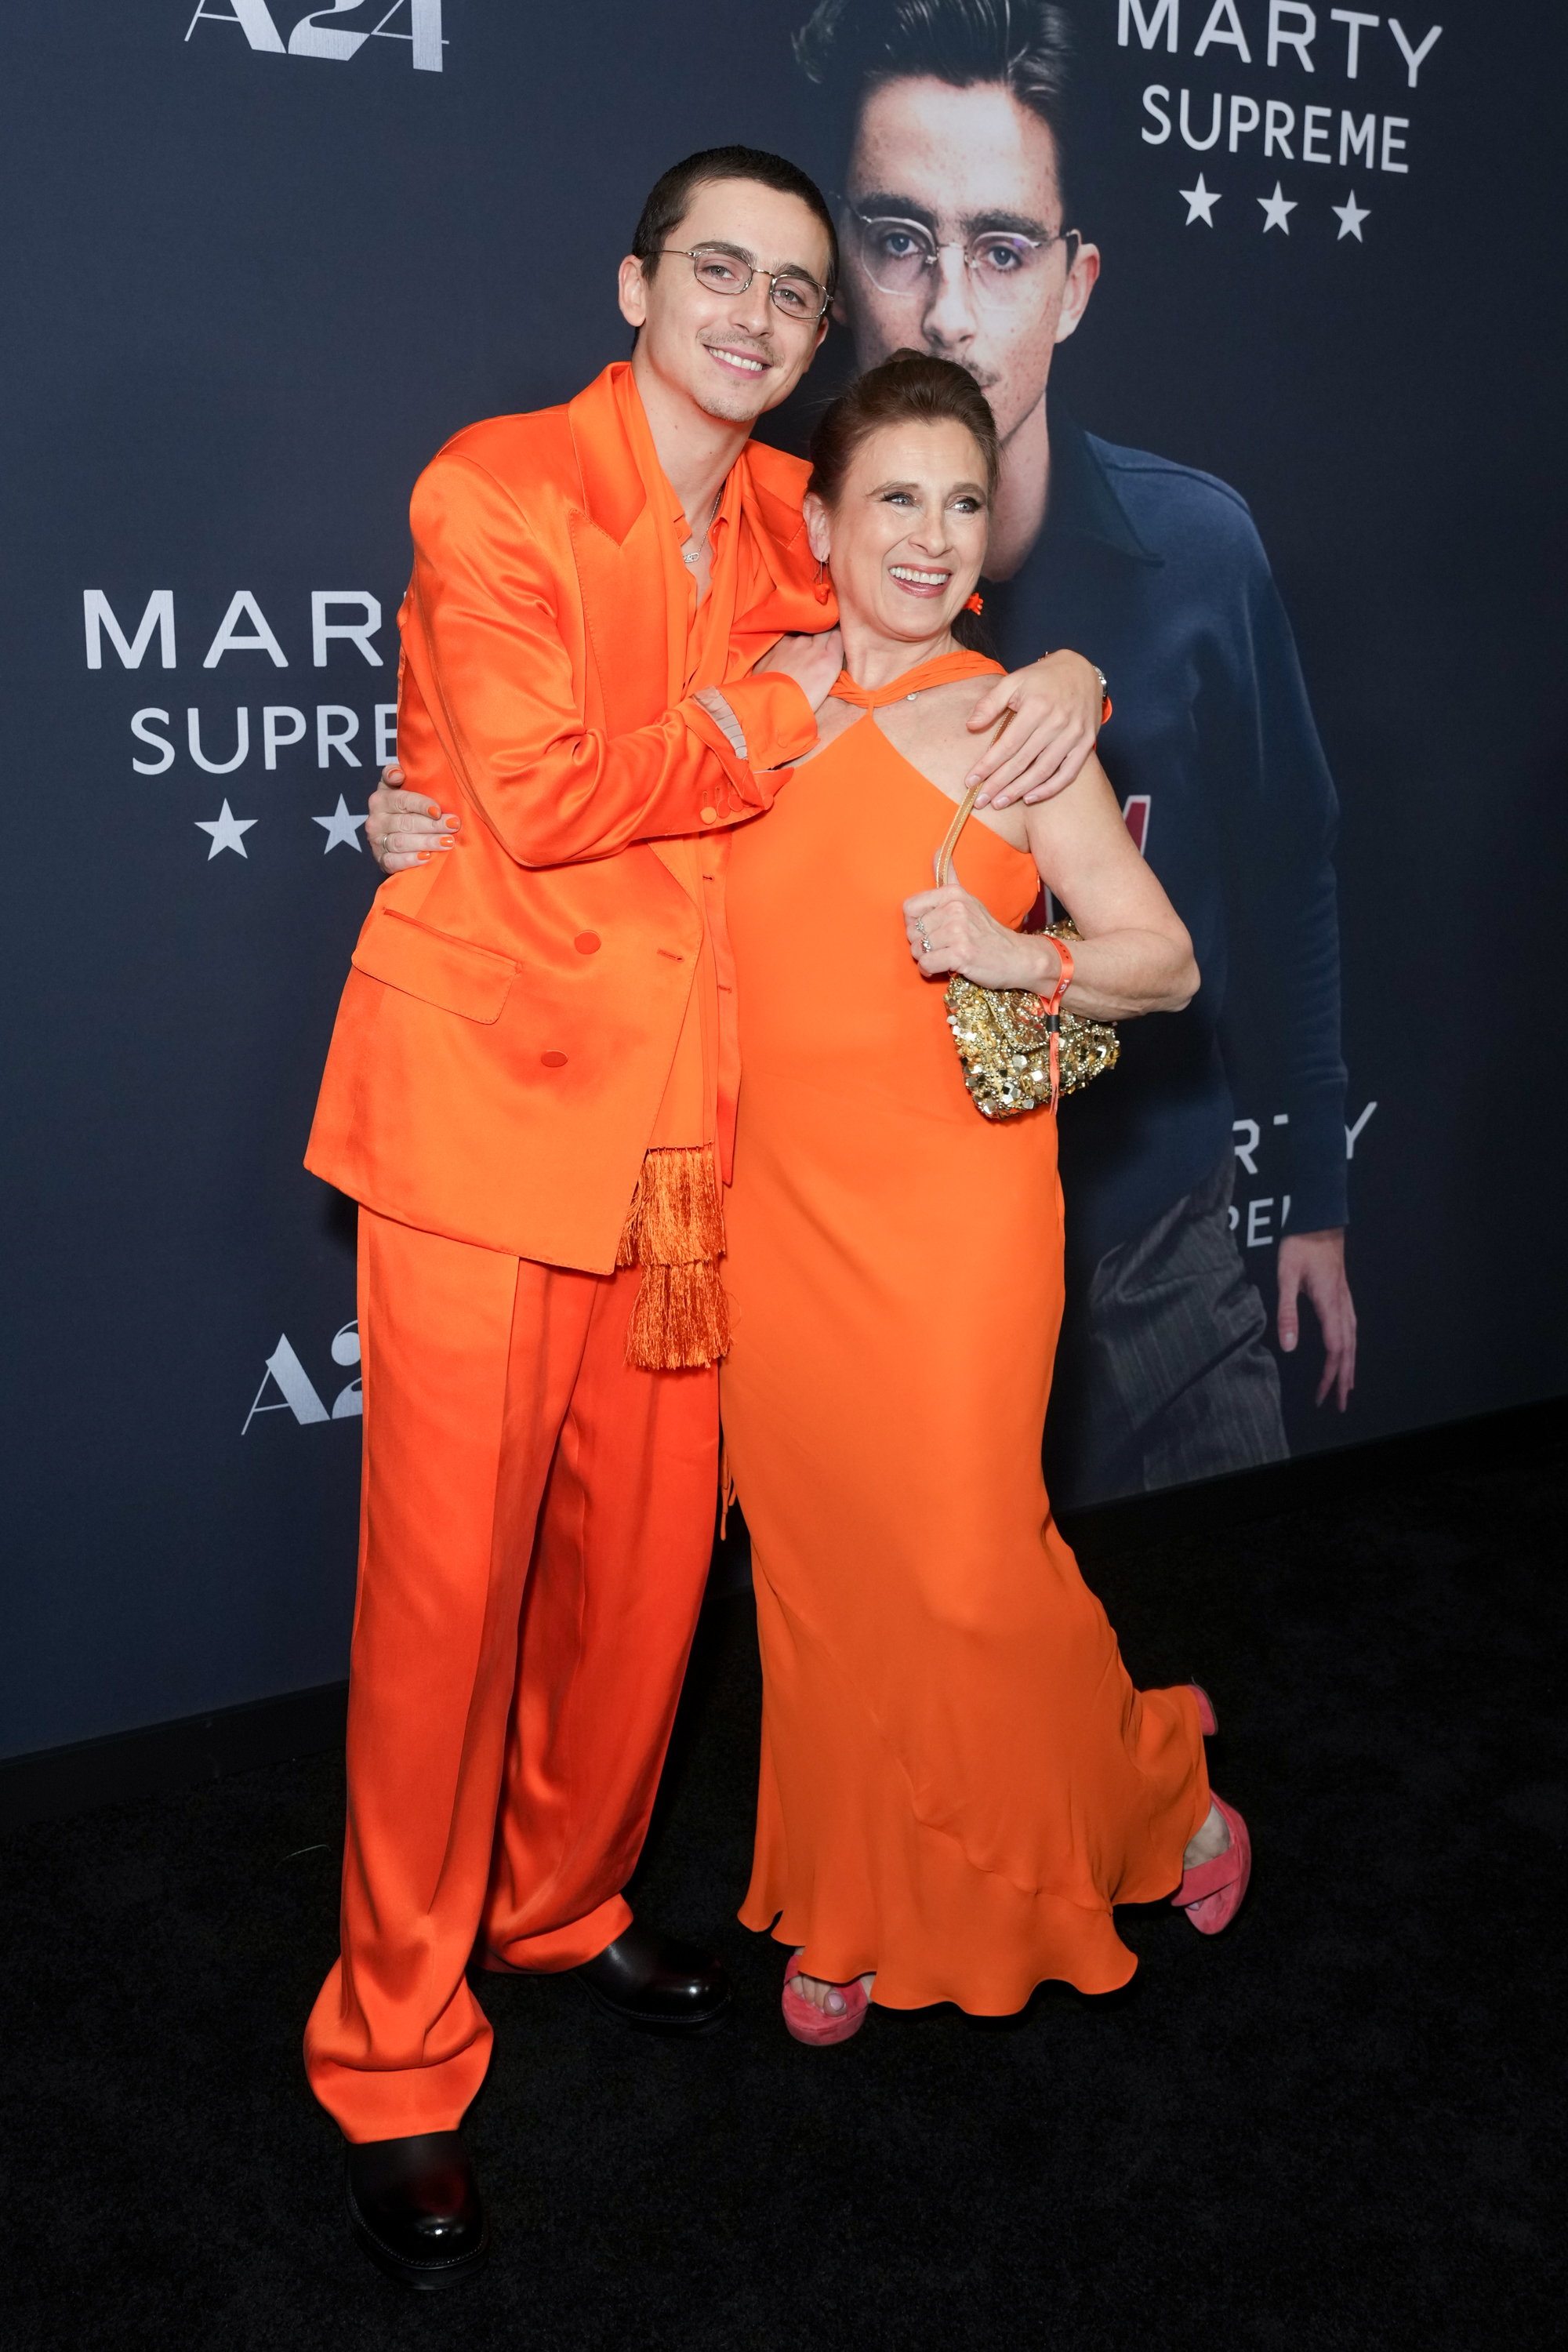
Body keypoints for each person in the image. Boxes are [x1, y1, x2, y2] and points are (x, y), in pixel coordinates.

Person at [312, 146, 1104, 2288]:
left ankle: (560, 1909)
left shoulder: (783, 505)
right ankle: (392, 2052)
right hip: (486, 1122)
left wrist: (1066, 696)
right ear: (638, 281)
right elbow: (552, 788)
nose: (758, 316)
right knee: (444, 1616)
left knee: (648, 1593)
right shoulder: (495, 489)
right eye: (720, 275)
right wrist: (739, 718)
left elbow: (934, 623)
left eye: (791, 293)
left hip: (697, 1164)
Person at [717, 350, 1250, 2042]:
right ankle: (854, 1899)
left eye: (962, 503)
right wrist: (421, 819)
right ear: (817, 520)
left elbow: (1159, 964)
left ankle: (1165, 1803)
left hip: (951, 1222)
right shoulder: (751, 703)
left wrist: (1015, 953)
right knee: (815, 1578)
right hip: (767, 1223)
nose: (932, 537)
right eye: (895, 499)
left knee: (960, 1565)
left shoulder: (1012, 717)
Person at [789, 0, 1358, 1508]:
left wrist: (1318, 1196)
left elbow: (1289, 875)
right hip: (888, 1268)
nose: (951, 315)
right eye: (901, 240)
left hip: (1163, 1255)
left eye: (1003, 249)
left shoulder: (1200, 550)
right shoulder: (762, 572)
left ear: (1076, 281)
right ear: (839, 268)